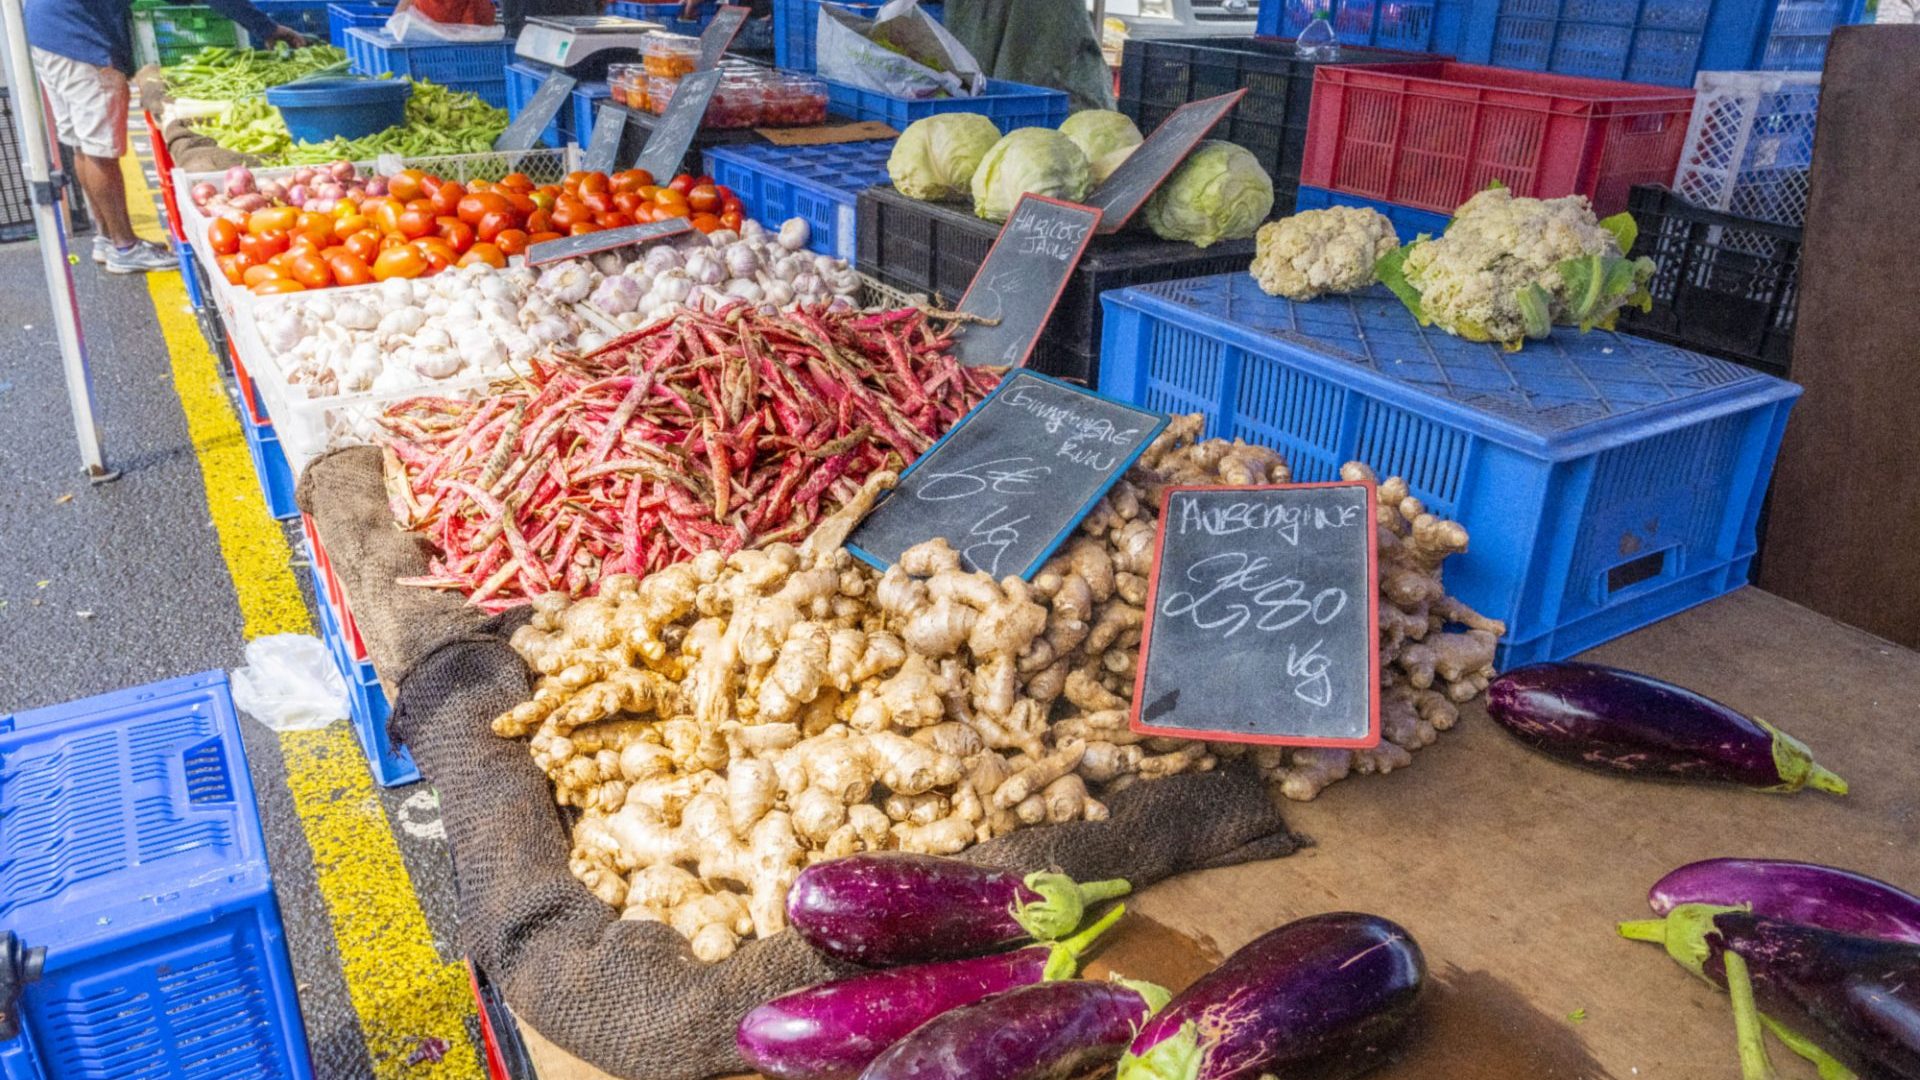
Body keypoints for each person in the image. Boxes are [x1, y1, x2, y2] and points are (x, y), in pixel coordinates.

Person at [23, 0, 311, 274]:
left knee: (83, 145)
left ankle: (108, 239)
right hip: (78, 36)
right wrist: (267, 28)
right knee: (100, 149)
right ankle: (125, 248)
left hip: (47, 30)